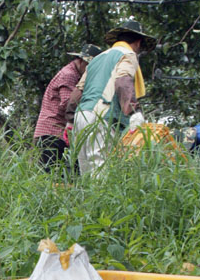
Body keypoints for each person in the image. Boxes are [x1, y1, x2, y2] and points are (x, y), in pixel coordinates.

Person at [66, 19, 157, 174]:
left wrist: (70, 121)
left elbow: (78, 92)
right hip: (101, 116)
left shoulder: (97, 59)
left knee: (86, 171)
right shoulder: (128, 54)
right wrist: (134, 112)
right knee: (101, 169)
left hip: (81, 116)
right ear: (138, 42)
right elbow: (123, 81)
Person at [33, 44, 101, 169]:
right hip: (52, 132)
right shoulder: (69, 75)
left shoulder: (75, 74)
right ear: (82, 61)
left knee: (68, 174)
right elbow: (67, 104)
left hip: (58, 133)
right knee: (57, 175)